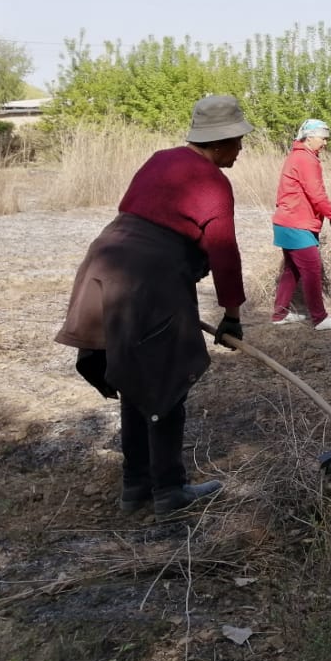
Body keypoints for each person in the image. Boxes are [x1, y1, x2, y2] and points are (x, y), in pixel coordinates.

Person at [55, 95, 253, 516]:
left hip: (104, 266)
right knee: (165, 383)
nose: (241, 149)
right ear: (218, 143)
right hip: (147, 282)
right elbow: (223, 251)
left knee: (137, 379)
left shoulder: (159, 160)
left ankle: (135, 488)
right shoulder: (212, 181)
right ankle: (168, 491)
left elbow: (142, 216)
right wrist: (232, 314)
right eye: (238, 141)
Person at [270, 118, 331, 331]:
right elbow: (317, 194)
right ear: (309, 137)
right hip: (296, 224)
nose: (325, 143)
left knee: (292, 270)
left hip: (286, 223)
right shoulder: (306, 159)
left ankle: (279, 315)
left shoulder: (298, 156)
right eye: (323, 138)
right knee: (312, 269)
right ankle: (320, 318)